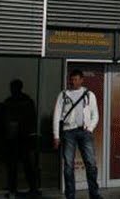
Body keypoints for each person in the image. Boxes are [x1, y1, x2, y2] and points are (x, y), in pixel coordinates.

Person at [52, 69, 101, 199]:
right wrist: (56, 136)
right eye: (71, 79)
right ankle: (70, 196)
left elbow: (95, 114)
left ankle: (94, 194)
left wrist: (90, 128)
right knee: (68, 166)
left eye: (75, 79)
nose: (73, 82)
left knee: (91, 164)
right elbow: (56, 115)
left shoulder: (89, 94)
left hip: (85, 132)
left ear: (81, 80)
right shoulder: (63, 95)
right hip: (68, 132)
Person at [0, 79, 39, 198]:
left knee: (23, 165)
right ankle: (18, 189)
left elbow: (31, 119)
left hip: (22, 138)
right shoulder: (14, 101)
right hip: (15, 138)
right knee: (17, 165)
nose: (12, 90)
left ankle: (28, 188)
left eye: (13, 87)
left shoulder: (21, 102)